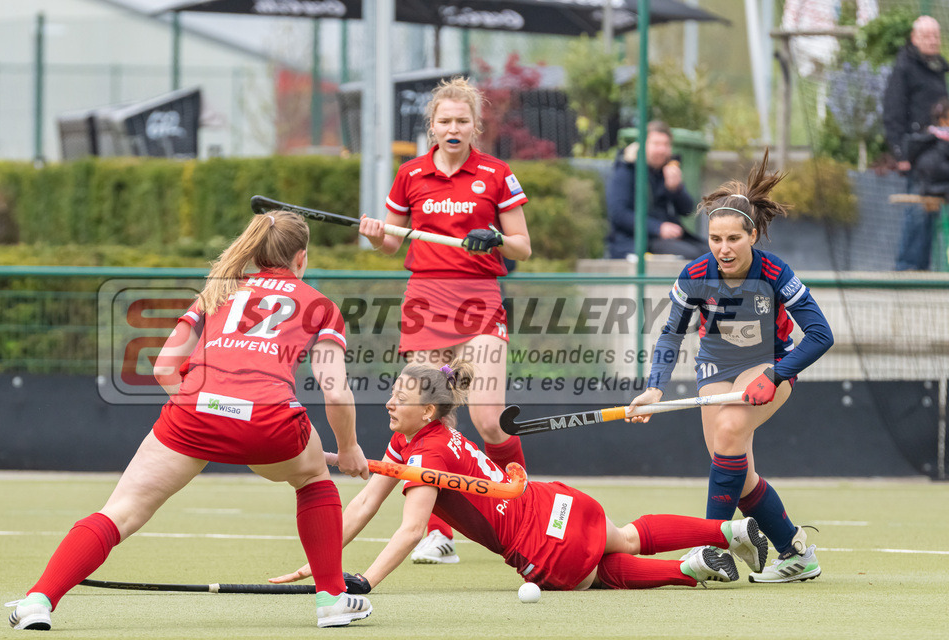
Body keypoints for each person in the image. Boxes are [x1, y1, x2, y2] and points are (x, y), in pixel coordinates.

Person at [6, 211, 374, 630]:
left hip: (194, 414)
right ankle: (331, 600)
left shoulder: (216, 293)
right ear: (302, 259)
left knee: (121, 511)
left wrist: (211, 410)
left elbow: (164, 367)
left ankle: (38, 601)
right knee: (312, 478)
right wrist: (348, 450)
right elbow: (336, 391)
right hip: (272, 424)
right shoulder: (320, 305)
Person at [269, 361, 771, 594]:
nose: (389, 403)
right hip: (561, 503)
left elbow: (412, 529)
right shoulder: (413, 440)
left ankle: (686, 570)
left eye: (400, 397)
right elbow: (363, 504)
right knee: (627, 536)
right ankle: (728, 531)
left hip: (543, 544)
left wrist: (366, 582)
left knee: (595, 575)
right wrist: (322, 559)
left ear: (427, 410)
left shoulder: (428, 455)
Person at [626, 150, 834, 583]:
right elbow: (671, 333)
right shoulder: (694, 274)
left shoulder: (777, 273)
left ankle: (709, 549)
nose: (723, 249)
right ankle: (795, 554)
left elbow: (820, 334)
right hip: (713, 369)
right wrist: (655, 388)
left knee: (727, 434)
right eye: (715, 239)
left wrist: (775, 375)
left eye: (733, 239)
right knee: (736, 473)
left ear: (752, 235)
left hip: (769, 363)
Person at [358, 76, 532, 565]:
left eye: (462, 121)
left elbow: (523, 245)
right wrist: (375, 234)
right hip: (425, 301)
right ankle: (438, 533)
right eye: (444, 121)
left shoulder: (496, 174)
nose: (453, 128)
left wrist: (494, 237)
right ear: (431, 126)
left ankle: (522, 504)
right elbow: (391, 243)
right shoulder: (410, 174)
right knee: (426, 420)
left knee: (488, 420)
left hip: (479, 304)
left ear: (476, 126)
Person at [883, 15, 949, 271]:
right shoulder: (904, 68)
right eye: (926, 36)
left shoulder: (937, 68)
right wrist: (900, 152)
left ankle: (921, 269)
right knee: (917, 210)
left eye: (935, 36)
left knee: (929, 211)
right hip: (917, 153)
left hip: (935, 153)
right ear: (914, 38)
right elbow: (893, 112)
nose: (932, 41)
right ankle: (907, 269)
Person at [605, 120, 709, 260]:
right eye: (656, 144)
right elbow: (618, 213)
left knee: (711, 252)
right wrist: (658, 227)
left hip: (668, 238)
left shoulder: (667, 169)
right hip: (636, 241)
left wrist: (676, 189)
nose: (661, 150)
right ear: (642, 145)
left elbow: (687, 210)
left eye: (665, 145)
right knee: (693, 256)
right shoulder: (626, 170)